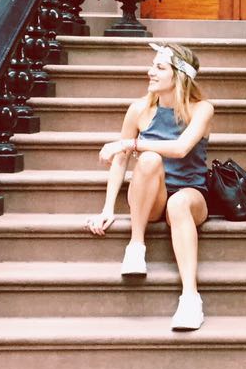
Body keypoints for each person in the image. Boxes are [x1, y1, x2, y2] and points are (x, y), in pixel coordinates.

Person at [85, 41, 213, 331]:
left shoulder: (201, 109)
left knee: (178, 201)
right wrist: (107, 208)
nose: (150, 72)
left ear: (178, 75)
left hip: (190, 194)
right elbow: (121, 162)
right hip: (153, 197)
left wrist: (129, 143)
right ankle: (136, 244)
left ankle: (191, 298)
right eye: (151, 65)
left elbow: (181, 149)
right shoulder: (139, 109)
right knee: (149, 160)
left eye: (159, 67)